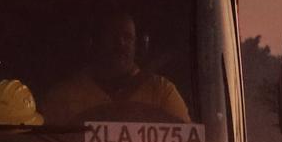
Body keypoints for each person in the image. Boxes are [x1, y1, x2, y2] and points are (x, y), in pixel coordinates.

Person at [40, 11, 189, 125]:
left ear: (138, 44)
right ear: (94, 42)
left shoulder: (162, 92)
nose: (121, 44)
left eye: (127, 37)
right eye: (112, 36)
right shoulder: (63, 97)